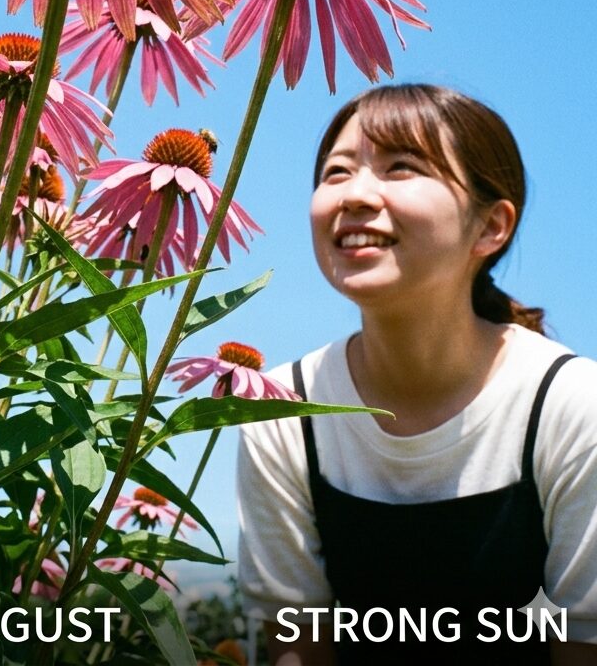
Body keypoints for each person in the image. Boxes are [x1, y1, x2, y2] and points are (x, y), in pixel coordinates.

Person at [236, 84, 597, 665]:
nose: (354, 195)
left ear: (491, 227)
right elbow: (294, 649)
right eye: (335, 172)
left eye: (401, 168)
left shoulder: (573, 406)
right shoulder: (284, 410)